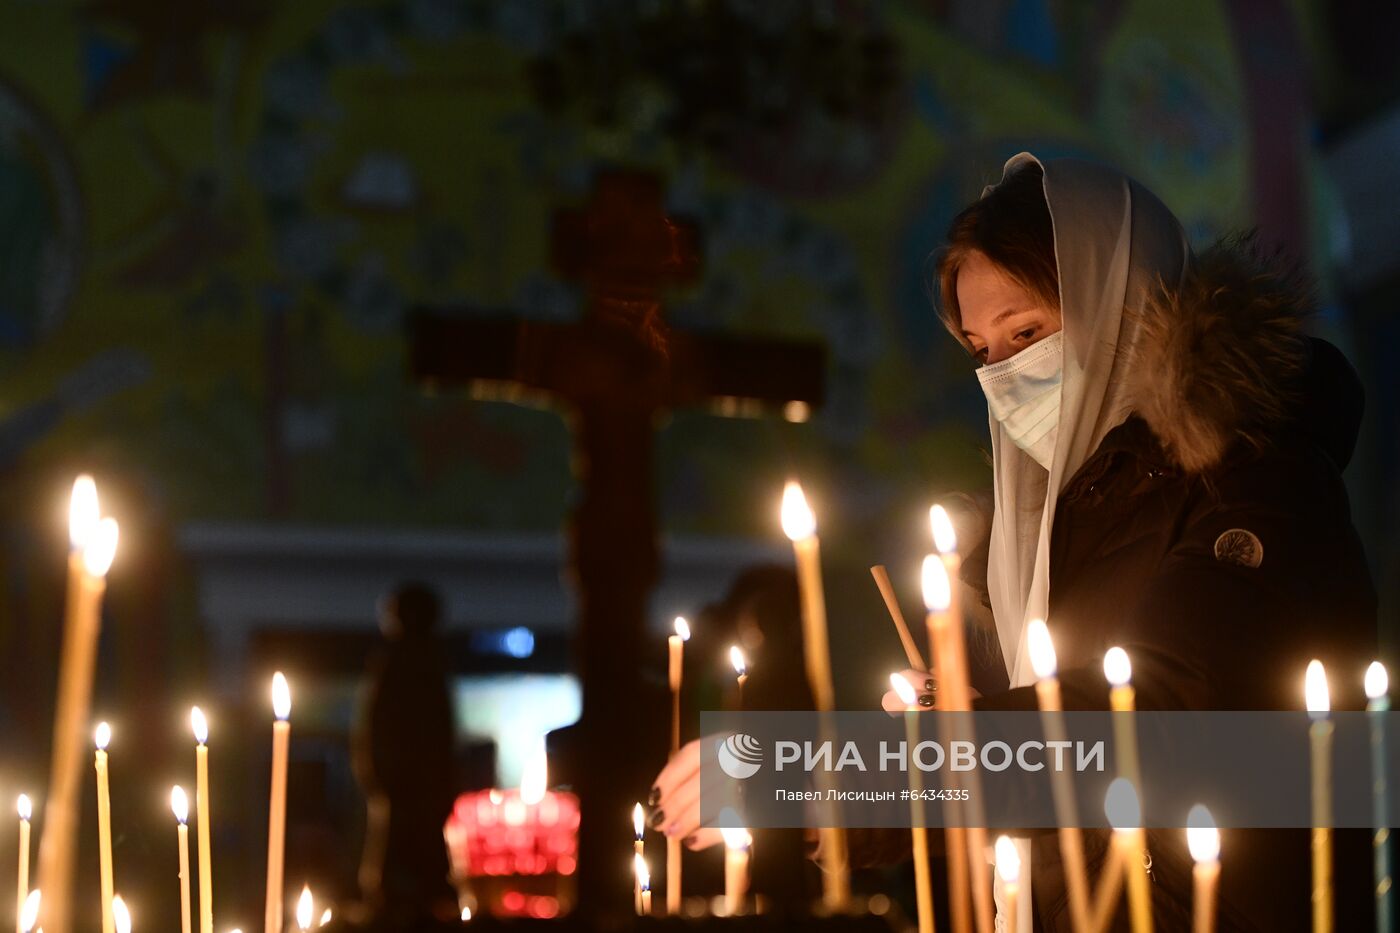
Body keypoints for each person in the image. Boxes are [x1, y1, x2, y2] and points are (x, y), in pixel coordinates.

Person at [652, 153, 1377, 931]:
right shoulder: (1057, 523)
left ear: (1122, 304)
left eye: (1027, 331)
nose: (1004, 373)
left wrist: (820, 775)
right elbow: (1022, 774)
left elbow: (1152, 726)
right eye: (980, 350)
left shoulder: (1256, 485)